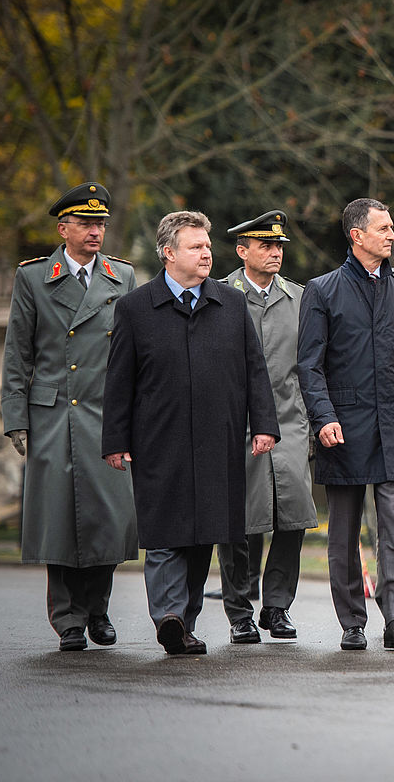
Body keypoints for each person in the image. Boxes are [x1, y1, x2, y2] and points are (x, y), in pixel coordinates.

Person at [103, 210, 279, 655]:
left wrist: (265, 424)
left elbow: (254, 370)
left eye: (207, 245)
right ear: (168, 253)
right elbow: (118, 380)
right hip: (159, 442)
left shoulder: (231, 303)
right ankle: (168, 614)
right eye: (195, 247)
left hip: (218, 440)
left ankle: (183, 623)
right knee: (165, 534)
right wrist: (115, 441)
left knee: (205, 534)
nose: (206, 254)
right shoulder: (135, 308)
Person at [1, 183, 137, 651]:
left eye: (101, 223)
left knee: (109, 516)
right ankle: (69, 619)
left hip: (107, 412)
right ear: (64, 229)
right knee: (58, 519)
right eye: (86, 224)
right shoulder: (35, 278)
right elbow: (18, 351)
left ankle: (98, 608)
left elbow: (136, 354)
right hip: (54, 412)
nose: (96, 231)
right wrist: (15, 415)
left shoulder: (123, 276)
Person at [297, 198, 394, 651]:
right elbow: (310, 366)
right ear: (357, 235)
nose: (393, 235)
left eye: (392, 228)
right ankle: (352, 620)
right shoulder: (322, 290)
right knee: (344, 527)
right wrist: (324, 418)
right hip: (344, 427)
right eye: (384, 228)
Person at [216, 210, 319, 645]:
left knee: (293, 516)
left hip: (291, 423)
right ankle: (240, 610)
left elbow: (313, 365)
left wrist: (315, 423)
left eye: (279, 246)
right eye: (265, 246)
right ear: (242, 252)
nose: (276, 253)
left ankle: (277, 606)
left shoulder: (301, 297)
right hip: (235, 425)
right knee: (239, 521)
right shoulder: (219, 295)